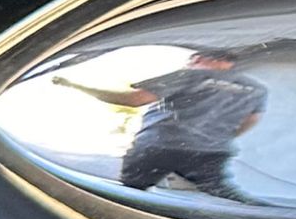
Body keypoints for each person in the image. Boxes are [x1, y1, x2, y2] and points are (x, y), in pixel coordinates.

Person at [55, 49, 265, 199]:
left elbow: (133, 100)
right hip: (212, 151)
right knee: (226, 195)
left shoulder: (190, 74)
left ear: (198, 58)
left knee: (129, 194)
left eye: (190, 61)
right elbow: (252, 120)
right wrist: (218, 138)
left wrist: (76, 86)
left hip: (159, 145)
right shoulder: (256, 87)